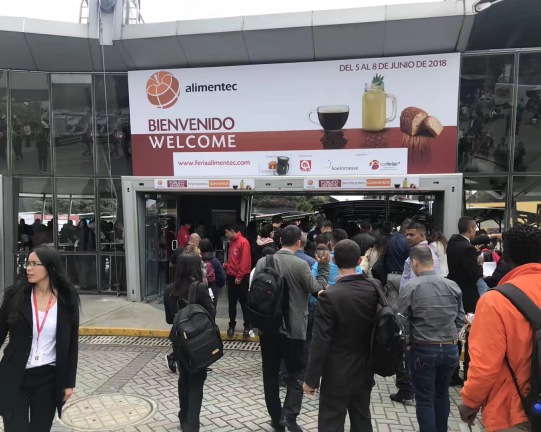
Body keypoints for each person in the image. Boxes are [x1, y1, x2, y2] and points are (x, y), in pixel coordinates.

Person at [459, 225, 541, 432]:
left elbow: (485, 366)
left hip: (514, 412)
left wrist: (470, 402)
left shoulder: (496, 301)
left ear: (505, 256)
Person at [253, 225, 330, 432]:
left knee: (270, 374)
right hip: (293, 329)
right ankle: (289, 415)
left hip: (268, 328)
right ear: (298, 242)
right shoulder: (300, 265)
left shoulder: (263, 262)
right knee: (296, 372)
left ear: (279, 241)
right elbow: (317, 290)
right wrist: (324, 268)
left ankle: (276, 418)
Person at [0, 246, 80, 432]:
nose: (29, 268)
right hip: (15, 375)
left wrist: (69, 382)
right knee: (16, 428)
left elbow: (71, 345)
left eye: (35, 264)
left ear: (50, 267)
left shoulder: (67, 299)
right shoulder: (15, 296)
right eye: (28, 263)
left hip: (48, 378)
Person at [303, 240, 379, 432]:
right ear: (360, 260)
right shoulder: (374, 290)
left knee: (331, 422)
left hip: (336, 372)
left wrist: (311, 379)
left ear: (334, 261)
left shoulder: (329, 296)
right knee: (362, 420)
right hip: (365, 369)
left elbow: (320, 340)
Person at [398, 246, 465, 432]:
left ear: (414, 263)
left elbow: (401, 318)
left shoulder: (411, 287)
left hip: (423, 348)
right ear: (433, 262)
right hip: (450, 349)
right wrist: (452, 334)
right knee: (442, 394)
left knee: (425, 398)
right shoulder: (452, 285)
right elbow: (461, 316)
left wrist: (408, 339)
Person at [163, 253, 215, 432]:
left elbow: (169, 319)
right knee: (197, 382)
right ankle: (191, 425)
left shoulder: (169, 290)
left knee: (184, 378)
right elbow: (211, 314)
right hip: (198, 343)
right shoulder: (200, 288)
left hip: (179, 343)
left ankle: (183, 416)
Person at [447, 216, 501, 384]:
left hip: (454, 293)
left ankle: (453, 373)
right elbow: (473, 274)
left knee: (456, 333)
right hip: (468, 296)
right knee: (471, 334)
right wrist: (480, 267)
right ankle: (468, 372)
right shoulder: (468, 249)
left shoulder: (453, 242)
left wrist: (491, 236)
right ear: (471, 230)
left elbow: (471, 241)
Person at [223, 224, 252, 338]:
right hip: (231, 276)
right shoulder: (232, 242)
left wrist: (239, 277)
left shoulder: (243, 242)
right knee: (232, 303)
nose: (226, 234)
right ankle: (232, 325)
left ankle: (247, 326)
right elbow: (232, 259)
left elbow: (245, 262)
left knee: (244, 303)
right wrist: (226, 265)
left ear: (232, 231)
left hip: (241, 278)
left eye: (227, 232)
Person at [384, 220, 411, 311]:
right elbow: (410, 260)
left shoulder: (391, 240)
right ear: (407, 230)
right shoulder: (407, 242)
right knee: (404, 306)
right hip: (403, 276)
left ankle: (392, 319)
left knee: (392, 305)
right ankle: (401, 320)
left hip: (390, 276)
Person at [199, 238, 226, 308]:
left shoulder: (197, 260)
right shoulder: (215, 261)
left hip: (199, 290)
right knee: (211, 311)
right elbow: (222, 278)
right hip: (212, 290)